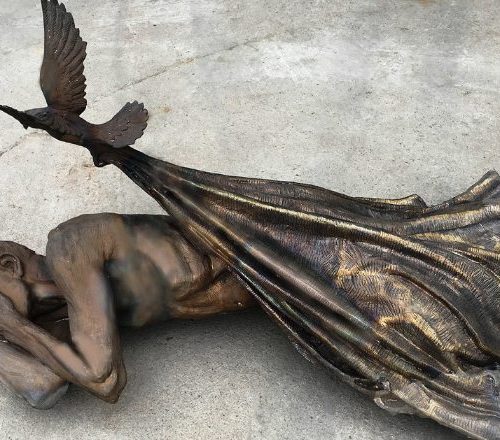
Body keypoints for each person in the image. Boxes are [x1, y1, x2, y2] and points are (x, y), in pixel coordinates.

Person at [0, 213, 254, 408]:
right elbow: (42, 386)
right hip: (260, 292)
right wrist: (12, 331)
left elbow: (102, 378)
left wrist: (14, 326)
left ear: (9, 266)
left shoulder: (69, 247)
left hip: (252, 252)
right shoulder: (55, 319)